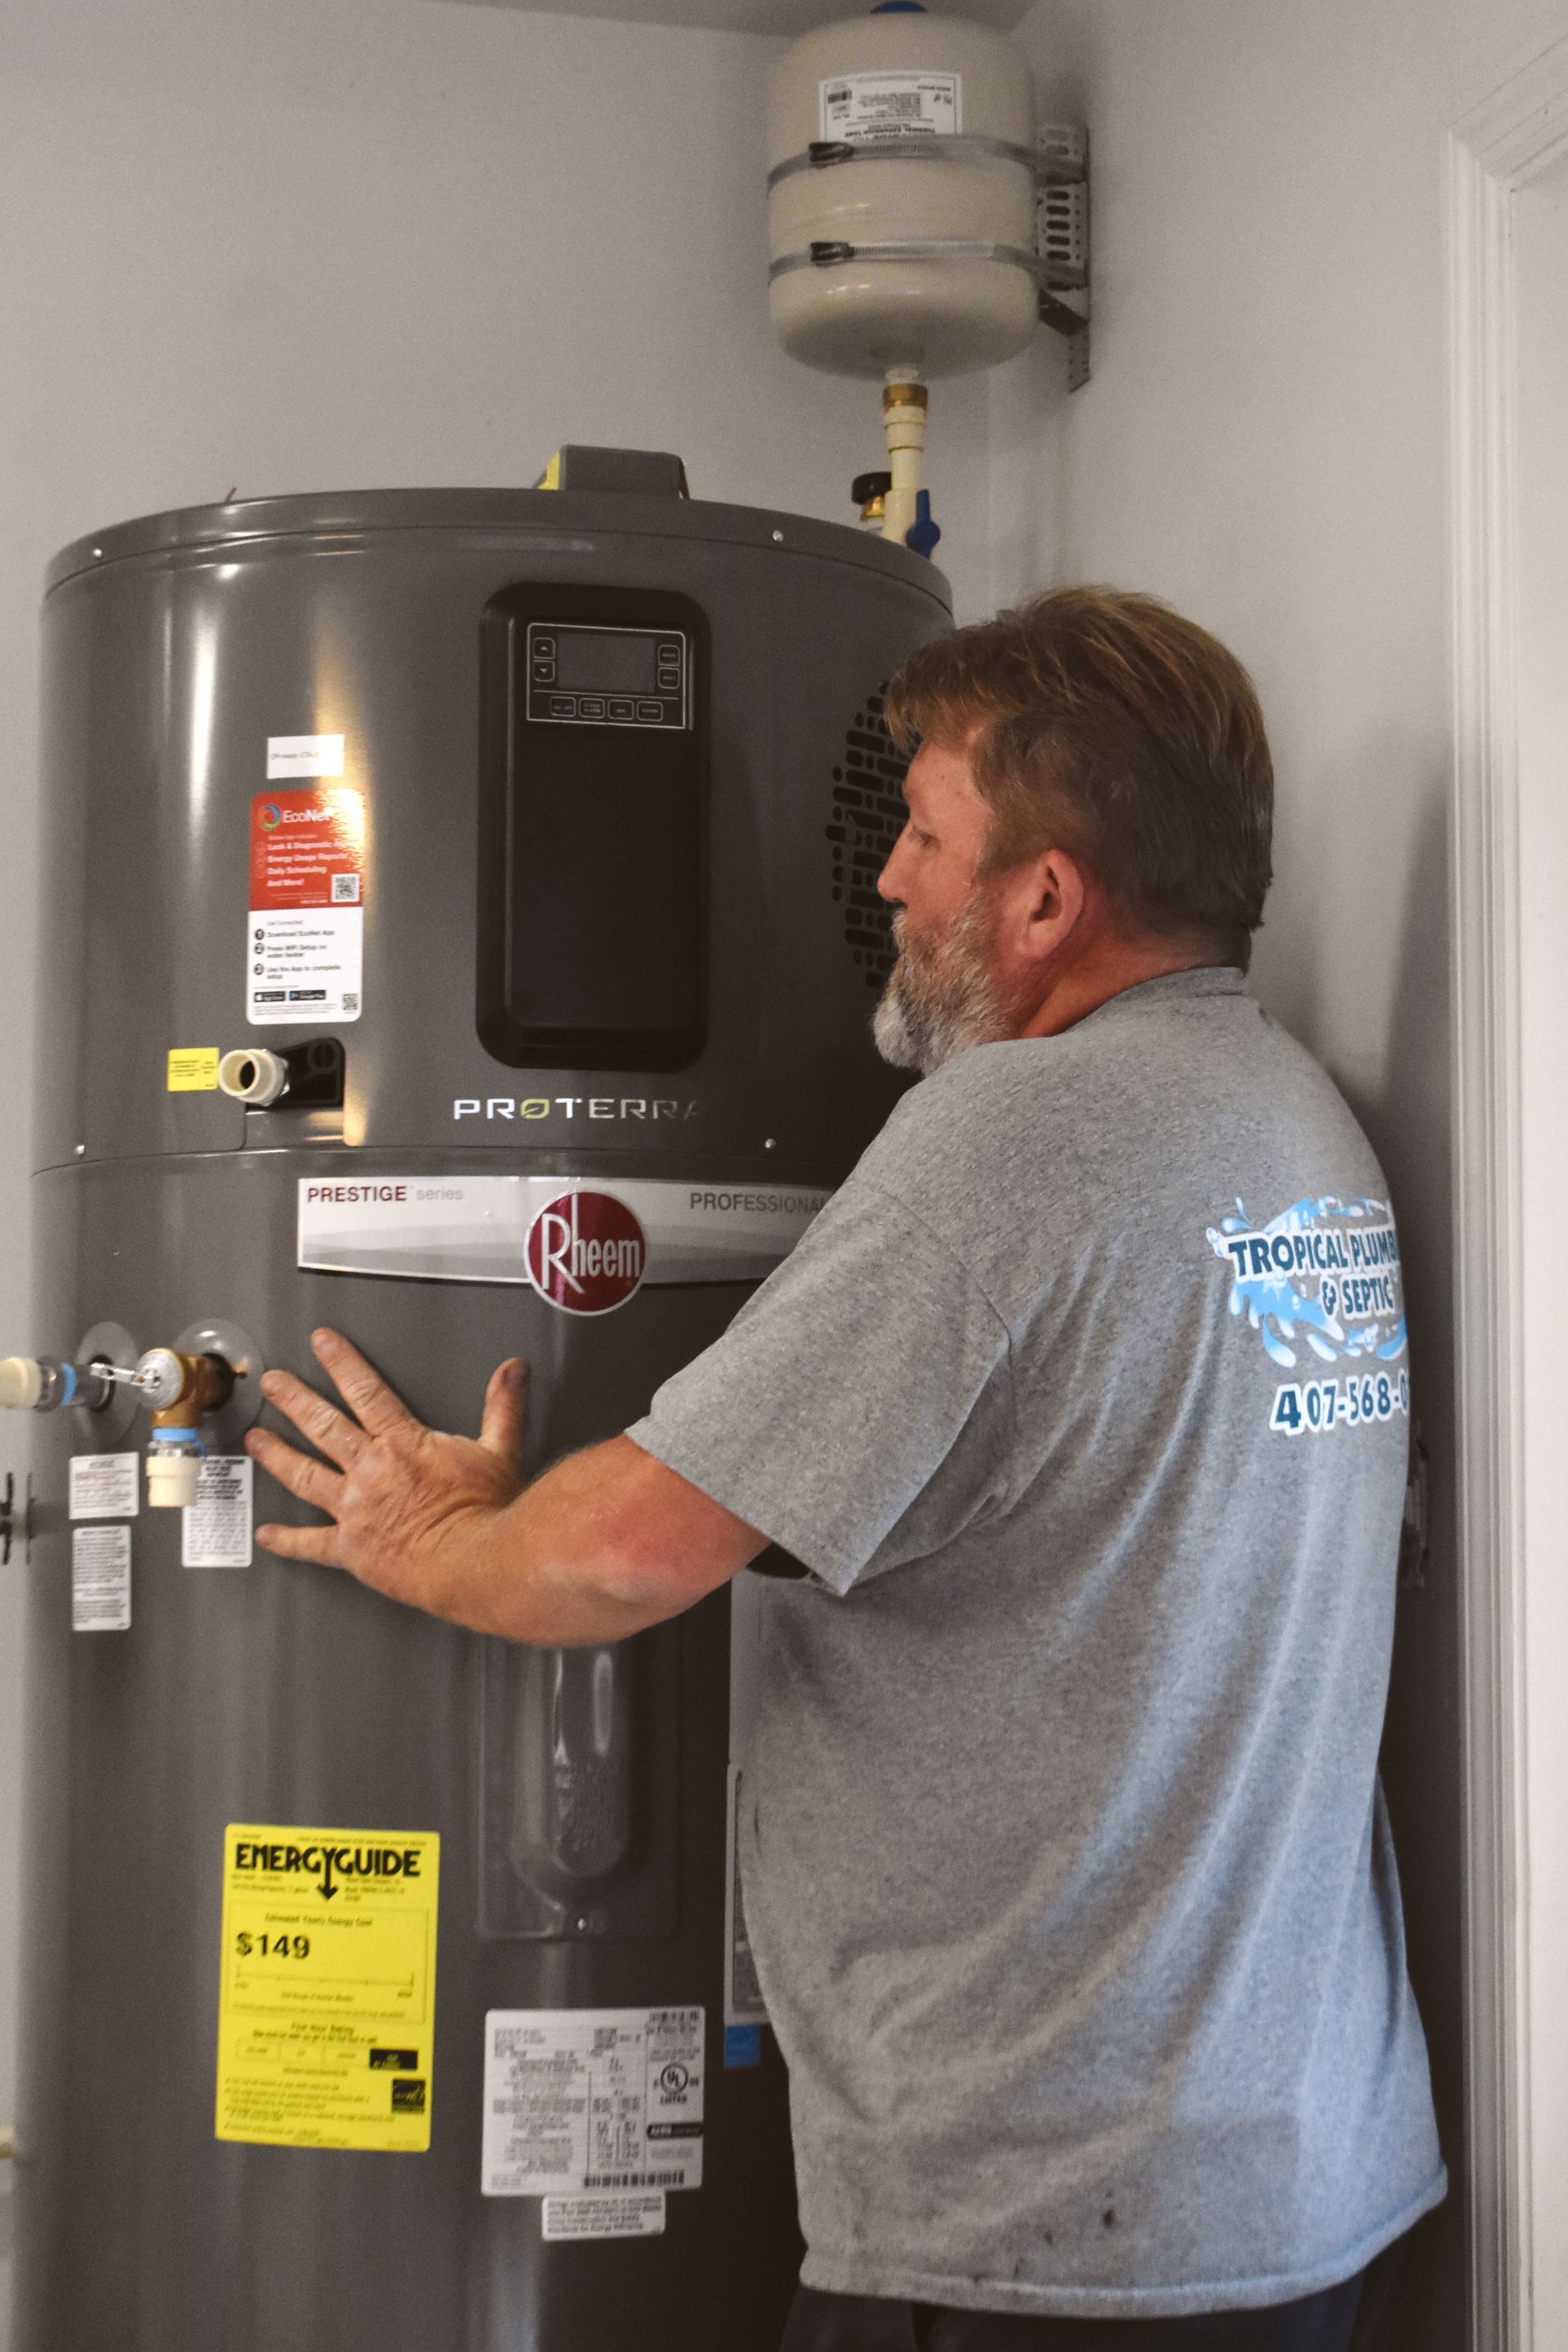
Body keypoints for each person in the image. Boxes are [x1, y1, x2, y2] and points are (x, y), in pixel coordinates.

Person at [247, 588, 1445, 2351]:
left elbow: (627, 1554)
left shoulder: (1018, 1134)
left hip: (1042, 2226)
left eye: (928, 833)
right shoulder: (1290, 1122)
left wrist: (429, 1533)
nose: (884, 879)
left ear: (1046, 898)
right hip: (1295, 2181)